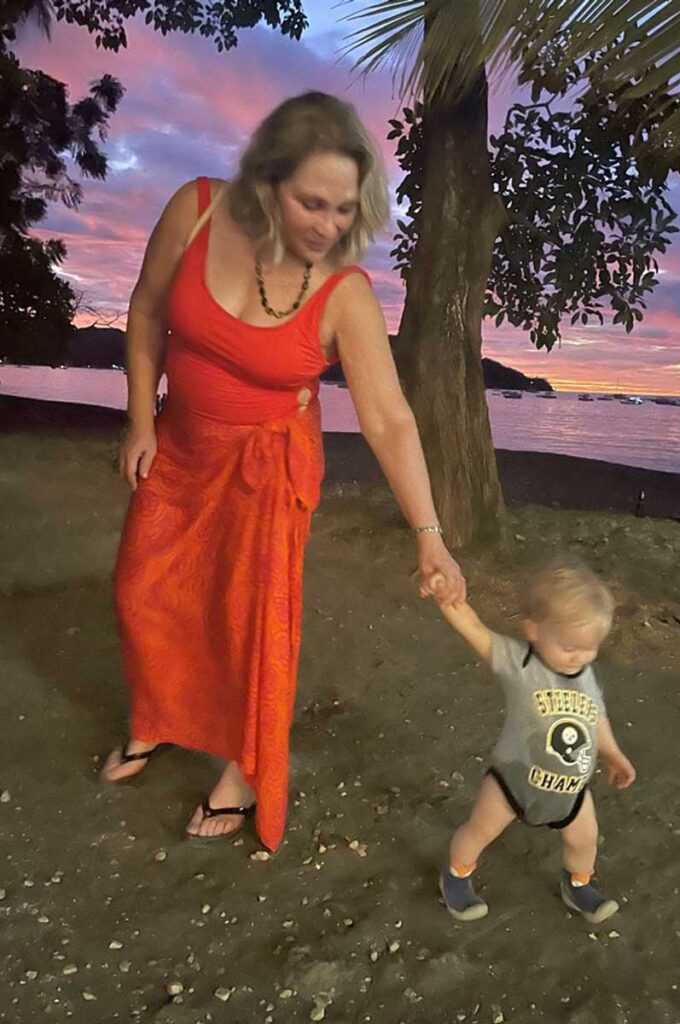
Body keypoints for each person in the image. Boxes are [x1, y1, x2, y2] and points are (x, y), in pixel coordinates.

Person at [100, 92, 465, 851]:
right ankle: (157, 719)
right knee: (144, 591)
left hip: (268, 467)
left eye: (343, 208)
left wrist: (429, 535)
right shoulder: (196, 209)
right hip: (180, 445)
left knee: (247, 624)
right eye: (311, 202)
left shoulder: (343, 293)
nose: (329, 225)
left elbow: (390, 420)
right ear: (266, 179)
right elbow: (144, 313)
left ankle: (243, 766)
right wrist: (139, 417)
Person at [434, 557, 636, 924]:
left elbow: (595, 716)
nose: (580, 657)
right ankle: (456, 875)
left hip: (571, 788)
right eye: (570, 647)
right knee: (479, 832)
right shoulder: (519, 662)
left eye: (590, 647)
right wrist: (447, 597)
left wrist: (614, 753)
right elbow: (475, 630)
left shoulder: (586, 674)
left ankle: (577, 885)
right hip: (514, 781)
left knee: (585, 841)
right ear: (534, 630)